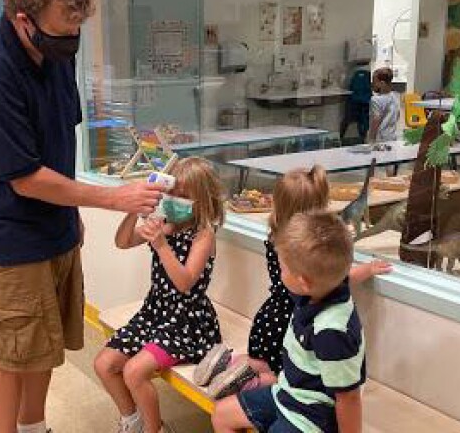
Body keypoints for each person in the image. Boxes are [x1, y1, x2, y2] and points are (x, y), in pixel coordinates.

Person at [0, 0, 165, 433]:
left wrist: (71, 213)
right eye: (61, 30)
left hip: (55, 227)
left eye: (77, 29)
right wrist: (113, 199)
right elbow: (25, 177)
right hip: (11, 238)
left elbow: (60, 140)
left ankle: (34, 426)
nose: (71, 40)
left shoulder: (55, 55)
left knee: (44, 346)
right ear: (23, 19)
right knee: (13, 353)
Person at [193, 166, 390, 400]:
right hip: (290, 319)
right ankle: (250, 384)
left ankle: (226, 364)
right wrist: (367, 270)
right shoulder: (304, 251)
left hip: (269, 315)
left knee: (259, 361)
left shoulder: (276, 236)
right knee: (282, 374)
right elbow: (335, 279)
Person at [94, 157, 226, 433]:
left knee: (134, 372)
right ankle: (133, 420)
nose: (175, 200)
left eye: (183, 195)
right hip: (155, 312)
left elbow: (185, 283)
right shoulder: (164, 223)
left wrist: (161, 245)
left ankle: (154, 429)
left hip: (187, 322)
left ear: (202, 201)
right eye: (172, 192)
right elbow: (122, 242)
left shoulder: (203, 235)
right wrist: (134, 210)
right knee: (104, 364)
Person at [211, 211, 366, 433]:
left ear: (303, 282)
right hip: (287, 393)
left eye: (282, 268)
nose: (280, 272)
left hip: (311, 418)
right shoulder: (317, 290)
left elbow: (348, 398)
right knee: (221, 414)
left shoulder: (332, 332)